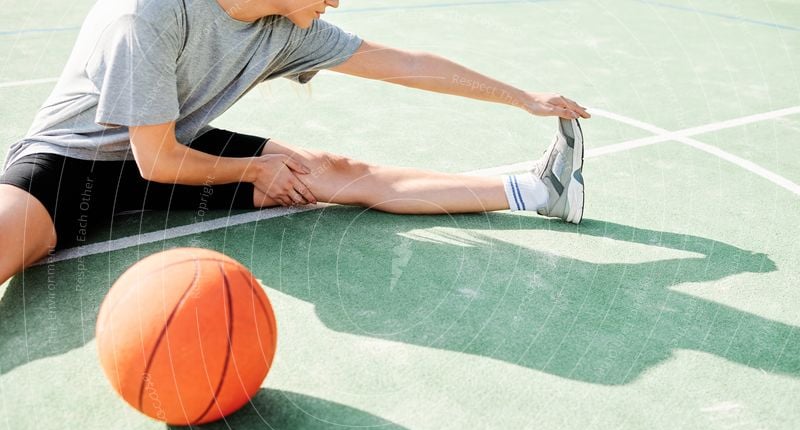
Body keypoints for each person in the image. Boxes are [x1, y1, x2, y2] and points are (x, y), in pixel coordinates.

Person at [0, 0, 590, 285]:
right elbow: (154, 159)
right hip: (66, 169)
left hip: (176, 151)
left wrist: (526, 99)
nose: (335, 0)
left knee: (338, 170)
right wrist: (254, 171)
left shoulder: (286, 26)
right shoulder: (153, 13)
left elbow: (405, 64)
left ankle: (538, 190)